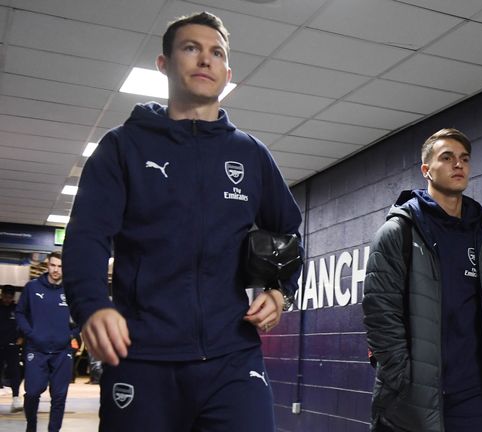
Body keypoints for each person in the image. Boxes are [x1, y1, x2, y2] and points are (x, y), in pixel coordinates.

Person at [62, 11, 302, 432]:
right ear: (164, 64)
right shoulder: (122, 147)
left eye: (216, 53)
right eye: (191, 48)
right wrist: (92, 306)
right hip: (142, 356)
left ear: (228, 72)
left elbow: (288, 234)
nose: (205, 60)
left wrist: (280, 291)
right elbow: (87, 238)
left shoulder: (251, 154)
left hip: (232, 356)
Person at [363, 128, 482, 432]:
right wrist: (402, 377)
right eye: (446, 158)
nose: (458, 165)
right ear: (427, 170)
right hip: (415, 398)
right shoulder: (400, 233)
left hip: (476, 398)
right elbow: (380, 312)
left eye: (464, 159)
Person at [16, 252, 77, 432]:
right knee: (33, 393)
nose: (56, 270)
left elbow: (83, 316)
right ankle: (31, 425)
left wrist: (71, 334)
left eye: (60, 266)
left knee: (59, 396)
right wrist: (30, 333)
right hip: (36, 348)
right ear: (47, 266)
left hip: (62, 352)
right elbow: (20, 313)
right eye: (53, 265)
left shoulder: (71, 291)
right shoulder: (32, 288)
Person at [0, 285, 22, 413]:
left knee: (15, 371)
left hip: (12, 345)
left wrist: (21, 338)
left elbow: (23, 324)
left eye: (10, 297)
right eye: (5, 297)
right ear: (1, 295)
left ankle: (15, 397)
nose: (7, 300)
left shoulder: (17, 309)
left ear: (13, 297)